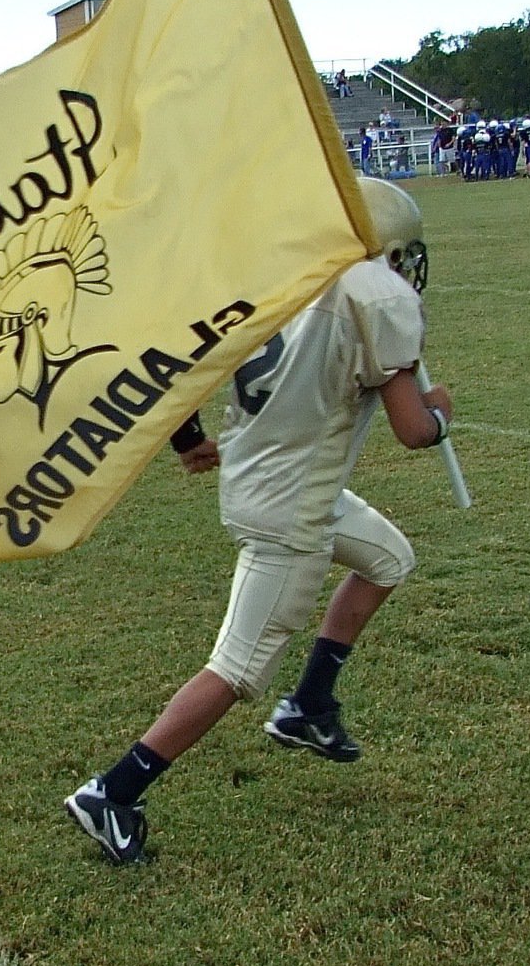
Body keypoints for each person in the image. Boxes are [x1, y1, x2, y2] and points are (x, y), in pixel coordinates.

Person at [65, 178, 454, 865]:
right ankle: (114, 792)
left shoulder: (282, 270)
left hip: (267, 478)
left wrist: (188, 440)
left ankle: (309, 705)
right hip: (292, 504)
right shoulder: (377, 295)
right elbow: (413, 430)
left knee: (387, 559)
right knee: (237, 668)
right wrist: (442, 411)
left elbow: (177, 357)